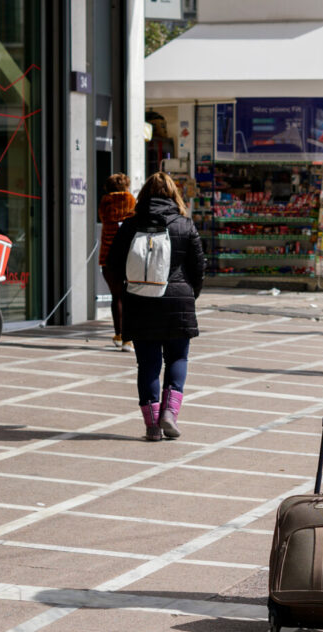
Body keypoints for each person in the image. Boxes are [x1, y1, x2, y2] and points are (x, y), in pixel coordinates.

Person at [107, 172, 205, 441]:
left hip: (140, 302)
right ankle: (169, 415)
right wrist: (188, 296)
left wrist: (124, 295)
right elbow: (198, 269)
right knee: (177, 358)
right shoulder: (185, 226)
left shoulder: (129, 226)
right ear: (174, 195)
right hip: (178, 300)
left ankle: (152, 426)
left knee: (147, 364)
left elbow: (112, 266)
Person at [98, 173, 137, 351]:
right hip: (129, 255)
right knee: (129, 297)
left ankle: (119, 335)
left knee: (117, 297)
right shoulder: (131, 200)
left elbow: (103, 219)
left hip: (109, 255)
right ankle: (129, 340)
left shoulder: (105, 202)